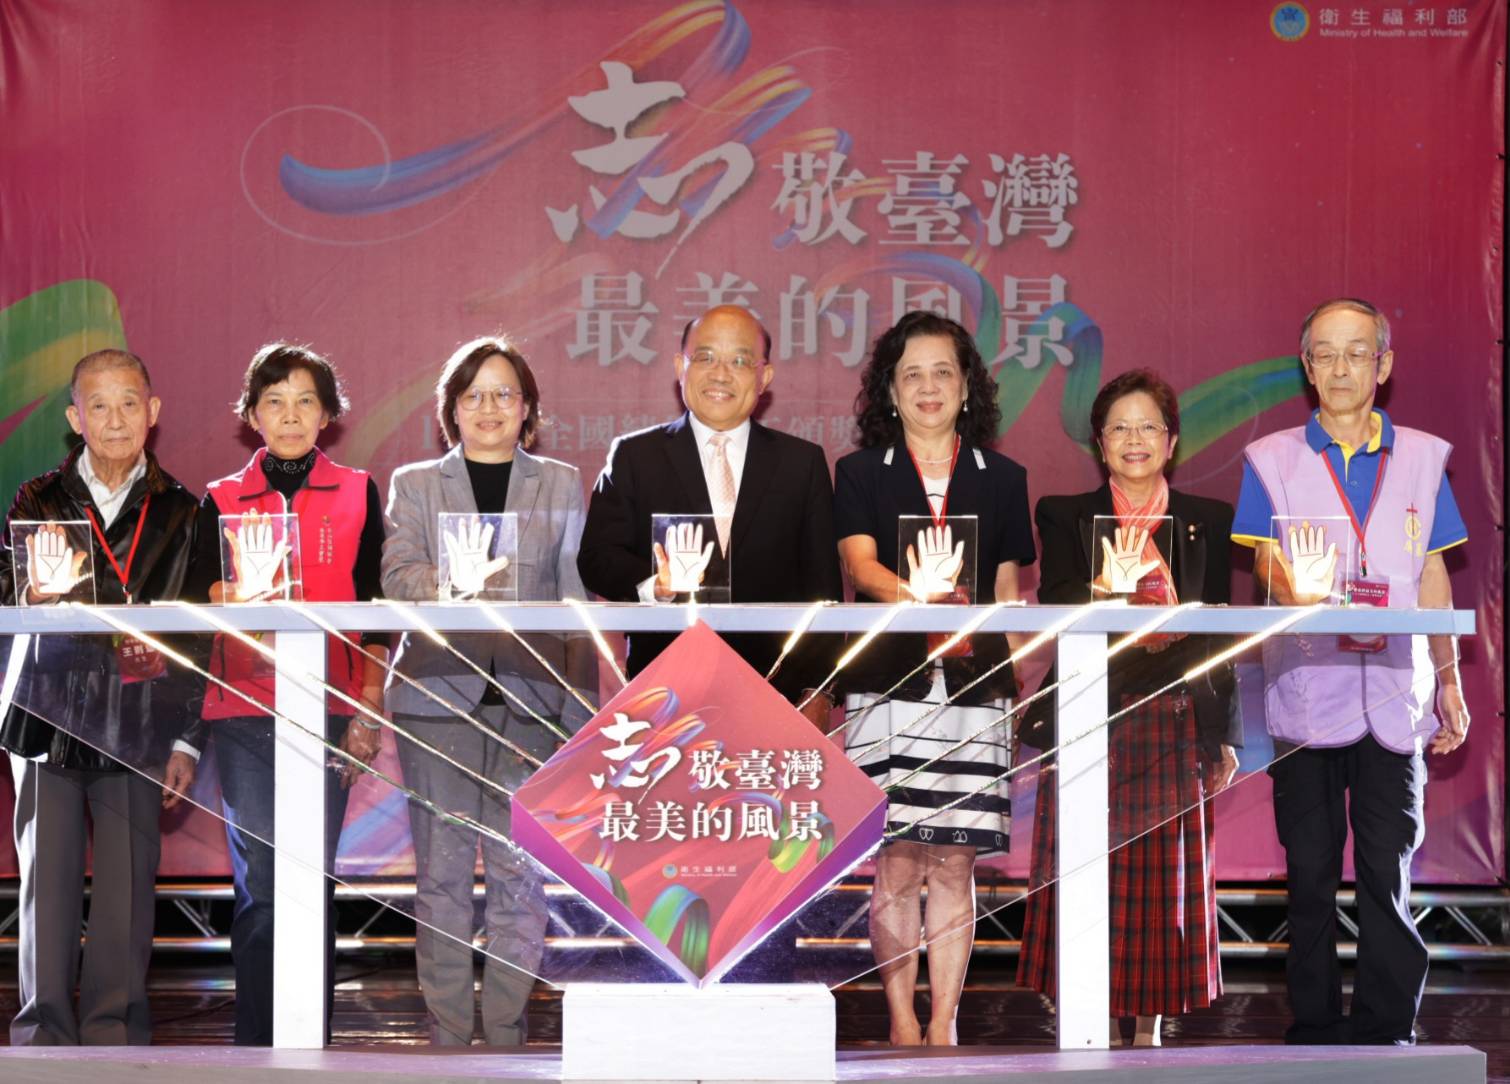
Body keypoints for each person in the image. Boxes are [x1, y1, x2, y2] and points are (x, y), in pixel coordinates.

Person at [1232, 298, 1469, 1045]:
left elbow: (1433, 574)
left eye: (1357, 352)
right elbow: (1263, 561)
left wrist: (1450, 679)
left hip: (1396, 695)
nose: (1341, 368)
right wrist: (1294, 590)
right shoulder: (1271, 458)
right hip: (1308, 693)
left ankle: (1387, 1024)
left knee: (1388, 868)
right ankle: (1314, 1021)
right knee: (1308, 870)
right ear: (1307, 368)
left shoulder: (1424, 457)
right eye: (1325, 354)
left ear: (1383, 365)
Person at [1015, 368, 1241, 1048]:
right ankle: (1091, 1025)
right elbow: (1057, 600)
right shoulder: (1065, 514)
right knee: (1085, 874)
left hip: (1174, 716)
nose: (1133, 439)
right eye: (1119, 428)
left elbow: (1219, 636)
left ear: (1171, 442)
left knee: (1162, 882)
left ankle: (1148, 1030)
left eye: (1148, 427)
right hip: (1092, 711)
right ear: (1099, 442)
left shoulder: (1207, 520)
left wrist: (1222, 734)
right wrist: (1110, 594)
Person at [382, 336, 595, 1046]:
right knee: (442, 874)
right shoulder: (416, 483)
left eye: (504, 393)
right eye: (472, 394)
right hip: (436, 699)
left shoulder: (560, 483)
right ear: (451, 409)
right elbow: (397, 576)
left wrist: (580, 714)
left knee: (518, 877)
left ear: (527, 407)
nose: (489, 407)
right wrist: (454, 582)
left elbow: (574, 602)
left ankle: (505, 1029)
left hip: (534, 702)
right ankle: (448, 1033)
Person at [832, 311, 1035, 1046]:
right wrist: (918, 595)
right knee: (896, 860)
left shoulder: (1002, 478)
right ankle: (901, 1019)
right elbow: (859, 567)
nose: (928, 387)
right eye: (911, 374)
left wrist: (1018, 684)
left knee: (954, 860)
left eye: (943, 372)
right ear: (890, 391)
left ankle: (944, 1021)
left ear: (967, 386)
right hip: (888, 686)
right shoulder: (861, 473)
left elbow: (1007, 591)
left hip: (976, 689)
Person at [186, 343, 388, 1045]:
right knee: (262, 884)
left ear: (328, 414)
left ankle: (309, 1043)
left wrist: (367, 709)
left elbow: (376, 613)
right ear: (252, 415)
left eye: (306, 401)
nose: (291, 415)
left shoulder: (359, 490)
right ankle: (255, 1044)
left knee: (310, 879)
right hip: (242, 708)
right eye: (274, 401)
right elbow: (198, 602)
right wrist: (233, 594)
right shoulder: (219, 498)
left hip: (330, 708)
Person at [0, 349, 201, 1045]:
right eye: (99, 405)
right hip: (45, 718)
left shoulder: (183, 509)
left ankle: (114, 1036)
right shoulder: (37, 500)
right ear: (74, 418)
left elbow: (198, 638)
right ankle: (42, 1035)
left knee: (126, 894)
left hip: (140, 723)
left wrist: (187, 739)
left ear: (153, 411)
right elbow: (13, 597)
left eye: (129, 403)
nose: (115, 420)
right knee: (46, 887)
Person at [577, 305, 842, 722]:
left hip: (776, 697)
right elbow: (597, 558)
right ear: (680, 367)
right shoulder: (635, 456)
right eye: (705, 357)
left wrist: (819, 691)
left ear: (764, 377)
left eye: (739, 361)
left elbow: (823, 589)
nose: (720, 374)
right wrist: (654, 585)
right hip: (665, 695)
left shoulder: (801, 463)